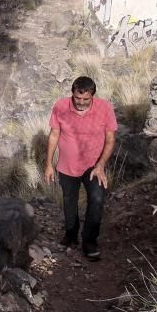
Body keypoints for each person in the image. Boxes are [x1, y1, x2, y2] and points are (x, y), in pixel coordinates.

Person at [44, 76, 117, 259]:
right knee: (69, 201)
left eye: (86, 99)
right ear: (72, 94)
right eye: (78, 98)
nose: (81, 102)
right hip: (67, 166)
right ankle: (71, 234)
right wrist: (49, 165)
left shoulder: (105, 108)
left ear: (93, 95)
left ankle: (90, 241)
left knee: (97, 200)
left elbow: (110, 139)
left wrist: (100, 166)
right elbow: (54, 135)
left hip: (94, 166)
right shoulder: (61, 106)